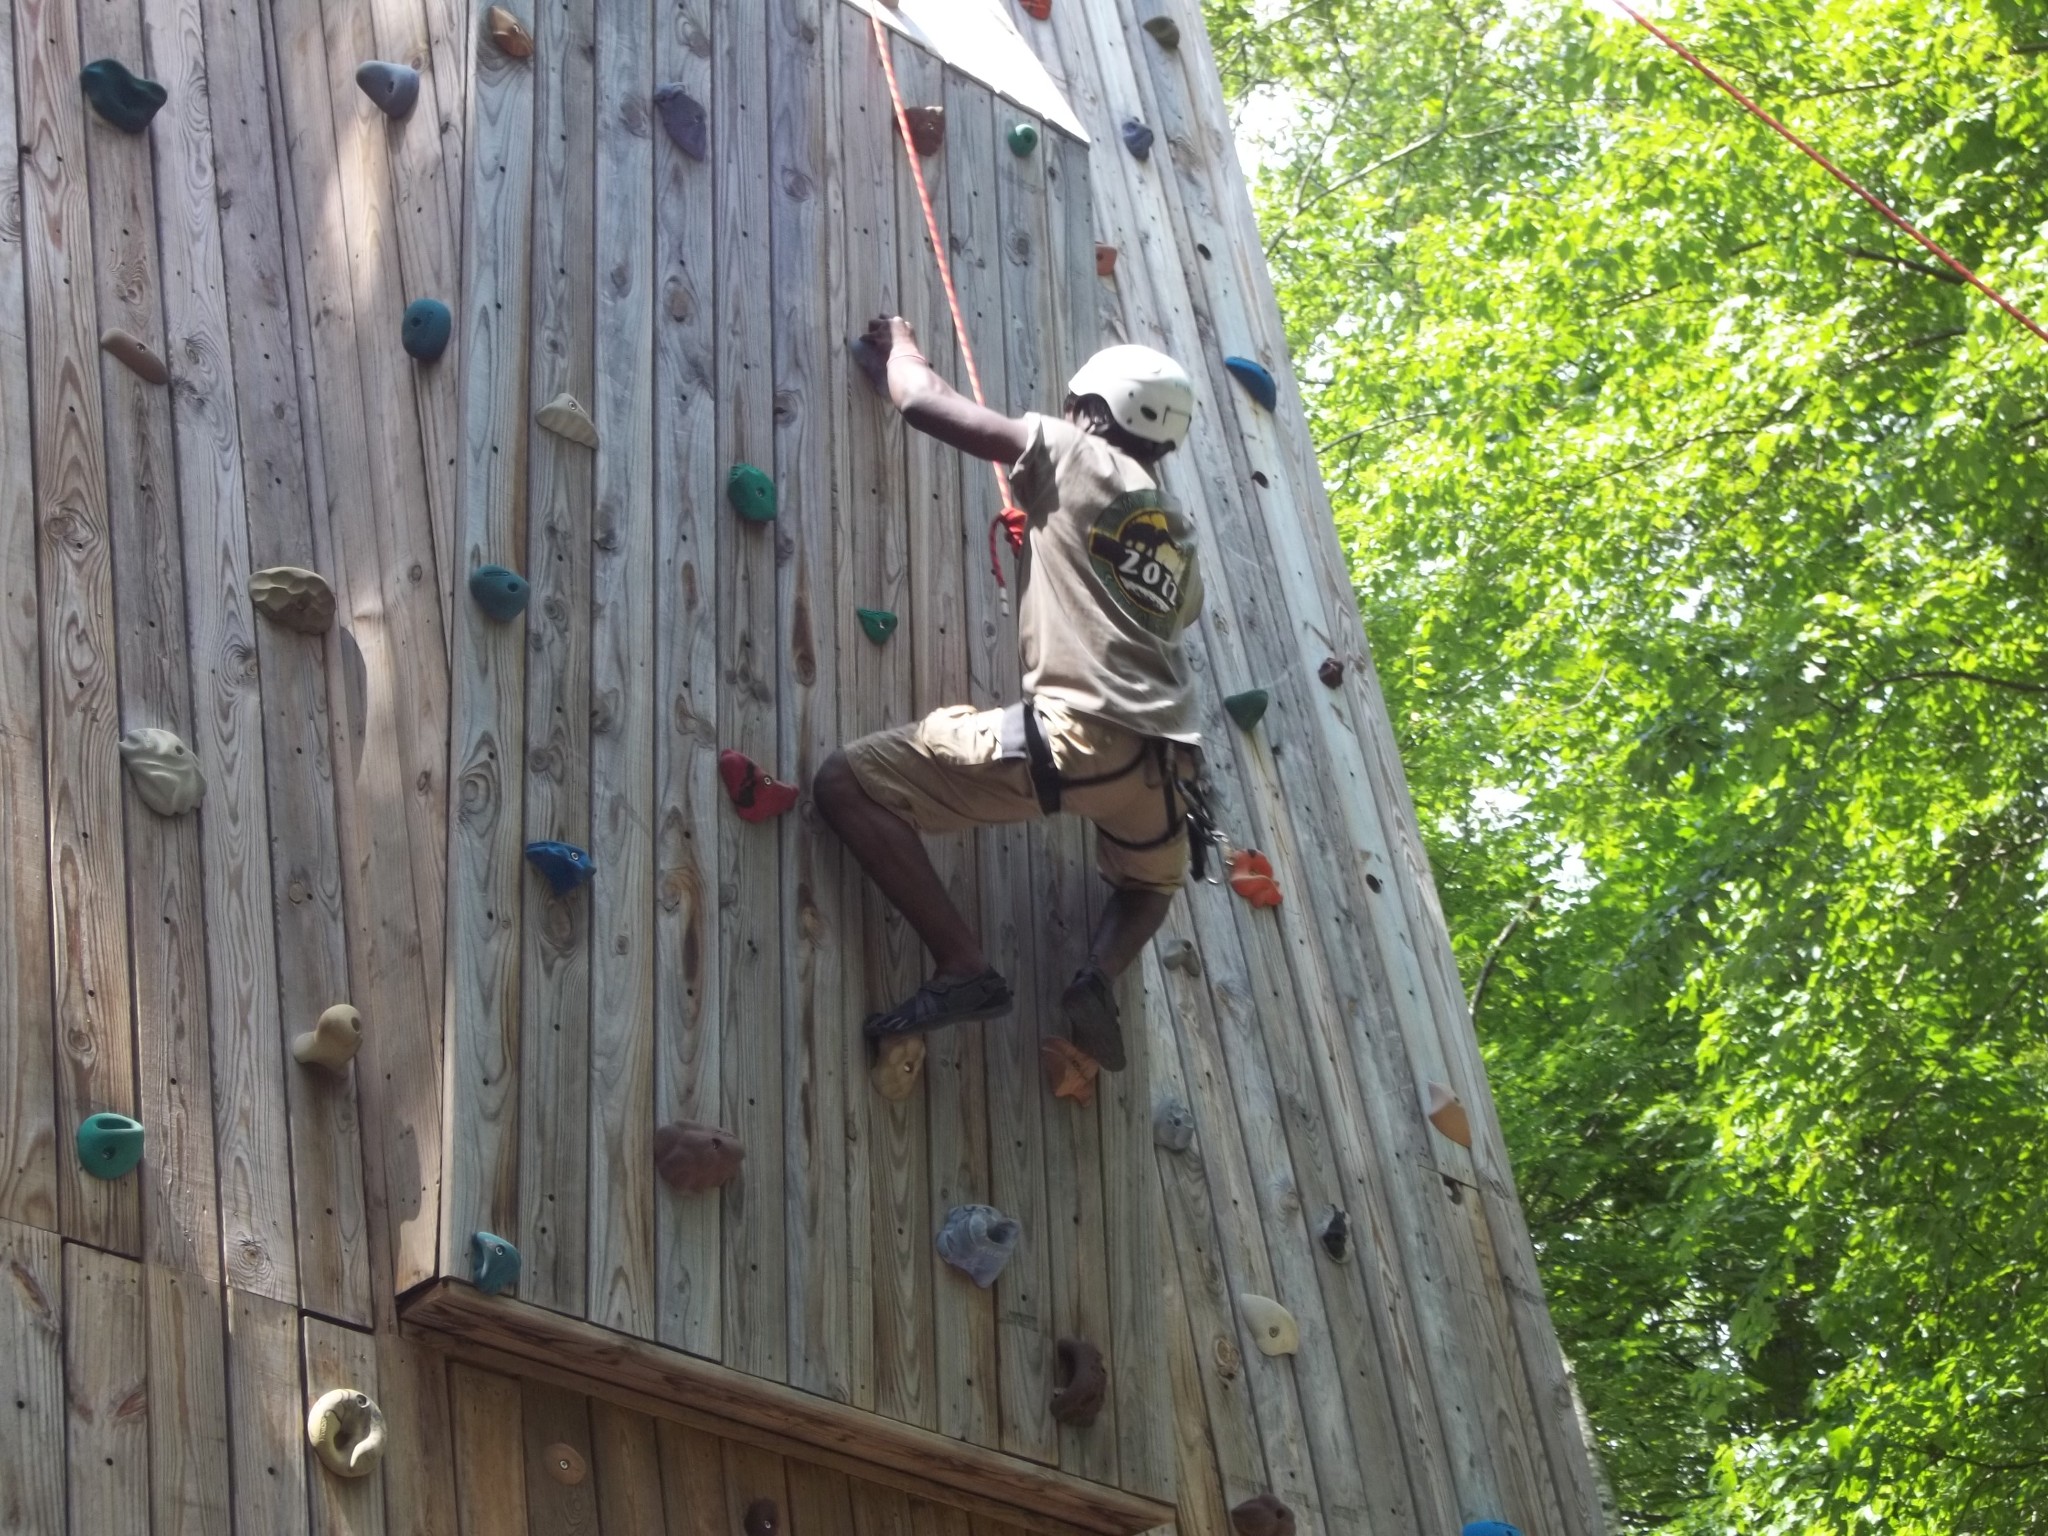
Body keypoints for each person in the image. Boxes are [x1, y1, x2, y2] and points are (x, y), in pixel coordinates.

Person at [813, 315, 1205, 1072]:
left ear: (1092, 408)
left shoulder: (1073, 450)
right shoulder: (1176, 531)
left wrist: (899, 345)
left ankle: (963, 965)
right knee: (1151, 884)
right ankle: (1096, 974)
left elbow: (926, 404)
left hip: (1078, 739)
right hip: (1163, 776)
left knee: (846, 782)